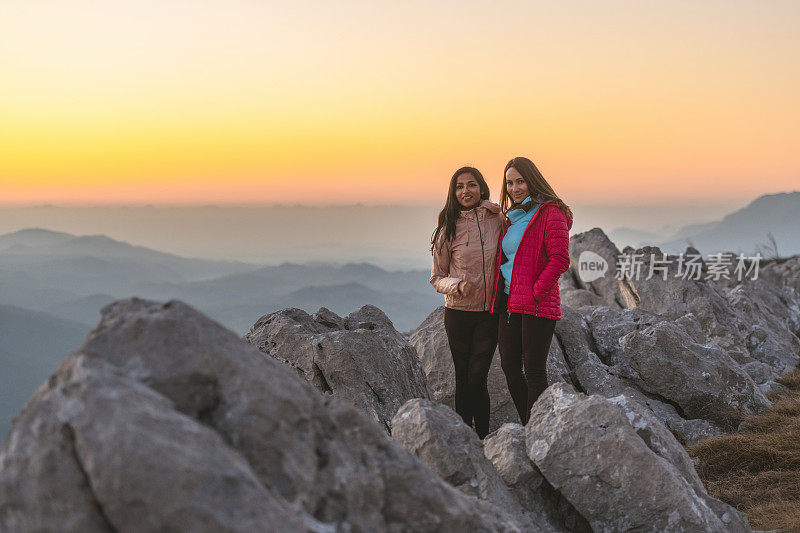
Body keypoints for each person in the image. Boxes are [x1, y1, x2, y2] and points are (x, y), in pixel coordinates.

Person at [489, 156, 573, 425]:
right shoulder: (513, 218)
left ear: (532, 180)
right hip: (509, 301)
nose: (515, 188)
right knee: (509, 368)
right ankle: (532, 424)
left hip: (538, 304)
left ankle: (538, 430)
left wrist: (536, 292)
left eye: (520, 181)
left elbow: (560, 259)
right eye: (510, 183)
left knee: (534, 370)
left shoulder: (551, 212)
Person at [430, 166, 503, 439]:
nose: (465, 191)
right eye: (459, 187)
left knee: (477, 377)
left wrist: (493, 209)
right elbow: (437, 278)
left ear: (481, 188)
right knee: (463, 376)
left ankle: (483, 438)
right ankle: (465, 439)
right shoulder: (447, 228)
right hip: (458, 313)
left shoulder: (496, 220)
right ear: (453, 193)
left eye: (471, 185)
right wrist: (457, 285)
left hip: (489, 312)